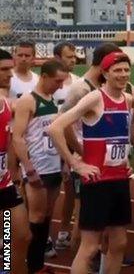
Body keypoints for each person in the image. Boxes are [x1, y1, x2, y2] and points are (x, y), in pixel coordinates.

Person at [49, 51, 134, 274]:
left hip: (119, 180)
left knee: (119, 242)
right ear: (105, 73)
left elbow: (118, 139)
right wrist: (74, 162)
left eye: (126, 70)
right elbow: (55, 127)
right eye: (117, 70)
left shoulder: (128, 100)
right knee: (90, 247)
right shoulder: (95, 98)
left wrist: (125, 161)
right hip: (97, 182)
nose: (123, 74)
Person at [13, 59, 68, 273]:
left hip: (53, 166)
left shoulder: (52, 99)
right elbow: (17, 138)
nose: (61, 86)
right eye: (57, 81)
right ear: (44, 76)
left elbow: (57, 135)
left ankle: (38, 263)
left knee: (45, 216)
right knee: (35, 217)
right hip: (37, 169)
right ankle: (30, 265)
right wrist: (29, 169)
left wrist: (63, 163)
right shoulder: (28, 100)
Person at [0, 49, 31, 274]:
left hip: (5, 184)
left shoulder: (7, 104)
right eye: (3, 69)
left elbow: (10, 141)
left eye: (9, 69)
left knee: (19, 235)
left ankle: (10, 268)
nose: (9, 74)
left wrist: (14, 169)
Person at [52, 41, 80, 252]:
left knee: (71, 189)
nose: (73, 60)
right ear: (57, 57)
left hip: (70, 142)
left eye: (74, 56)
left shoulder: (78, 83)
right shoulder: (46, 82)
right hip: (46, 145)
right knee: (44, 192)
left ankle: (64, 230)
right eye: (69, 56)